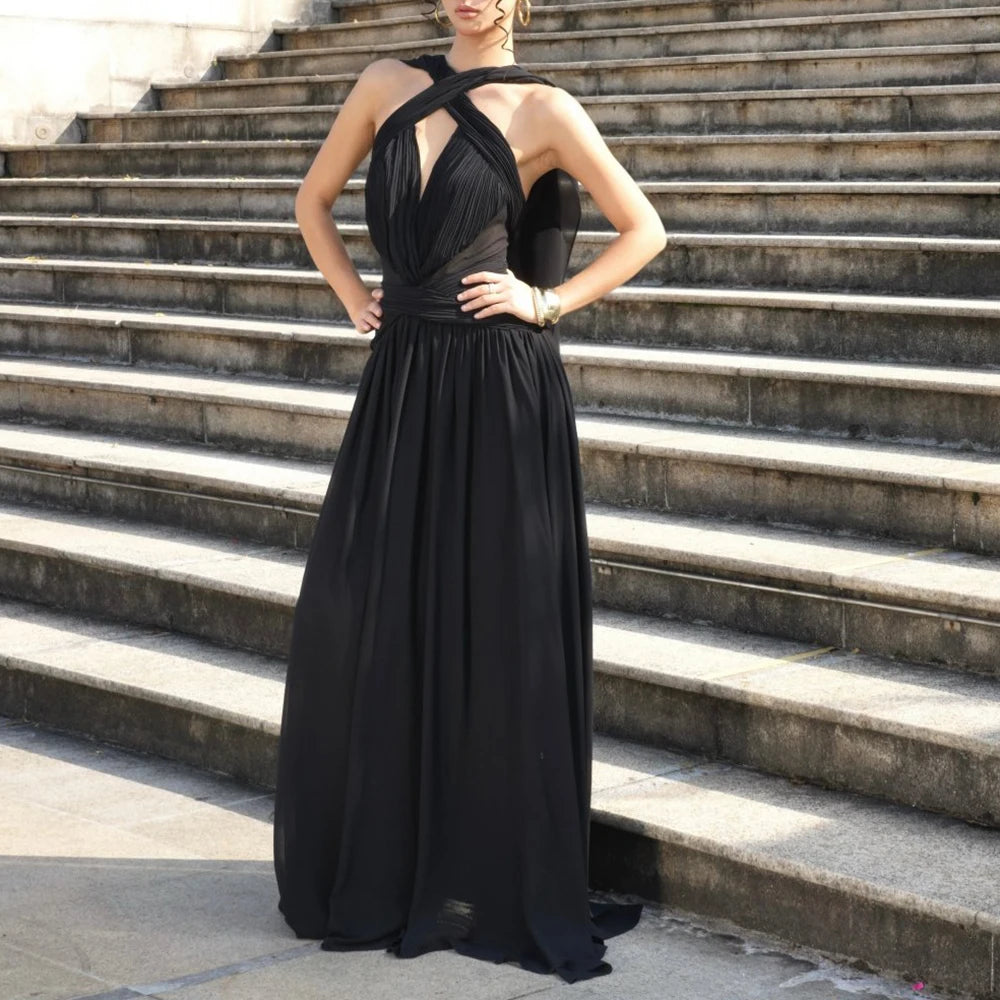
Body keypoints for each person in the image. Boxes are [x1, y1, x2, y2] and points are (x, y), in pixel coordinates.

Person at [272, 0, 668, 984]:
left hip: (497, 387)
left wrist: (546, 300)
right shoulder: (384, 83)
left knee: (492, 619)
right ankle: (388, 856)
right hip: (402, 380)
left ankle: (480, 868)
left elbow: (644, 229)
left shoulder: (544, 109)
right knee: (365, 610)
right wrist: (354, 296)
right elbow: (312, 201)